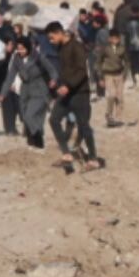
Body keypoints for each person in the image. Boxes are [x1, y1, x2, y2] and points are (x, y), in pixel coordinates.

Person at [45, 22, 102, 173]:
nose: (51, 41)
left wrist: (68, 86)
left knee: (84, 125)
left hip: (79, 93)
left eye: (52, 38)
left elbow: (82, 71)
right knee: (53, 119)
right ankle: (67, 154)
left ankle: (93, 159)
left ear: (59, 33)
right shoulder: (61, 48)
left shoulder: (76, 46)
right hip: (66, 93)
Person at [0, 36, 56, 149]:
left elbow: (52, 70)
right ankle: (33, 142)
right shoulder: (16, 59)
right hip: (25, 90)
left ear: (28, 48)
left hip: (39, 89)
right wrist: (3, 93)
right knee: (27, 116)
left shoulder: (38, 57)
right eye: (18, 49)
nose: (20, 51)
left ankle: (38, 141)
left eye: (23, 49)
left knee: (30, 115)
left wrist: (53, 80)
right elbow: (10, 77)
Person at [96, 29, 130, 128]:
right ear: (109, 39)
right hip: (108, 74)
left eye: (117, 38)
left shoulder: (122, 48)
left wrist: (125, 74)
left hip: (119, 74)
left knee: (119, 97)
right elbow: (98, 62)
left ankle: (118, 118)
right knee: (111, 95)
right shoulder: (105, 49)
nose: (115, 40)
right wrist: (100, 77)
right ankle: (109, 114)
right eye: (113, 38)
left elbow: (127, 61)